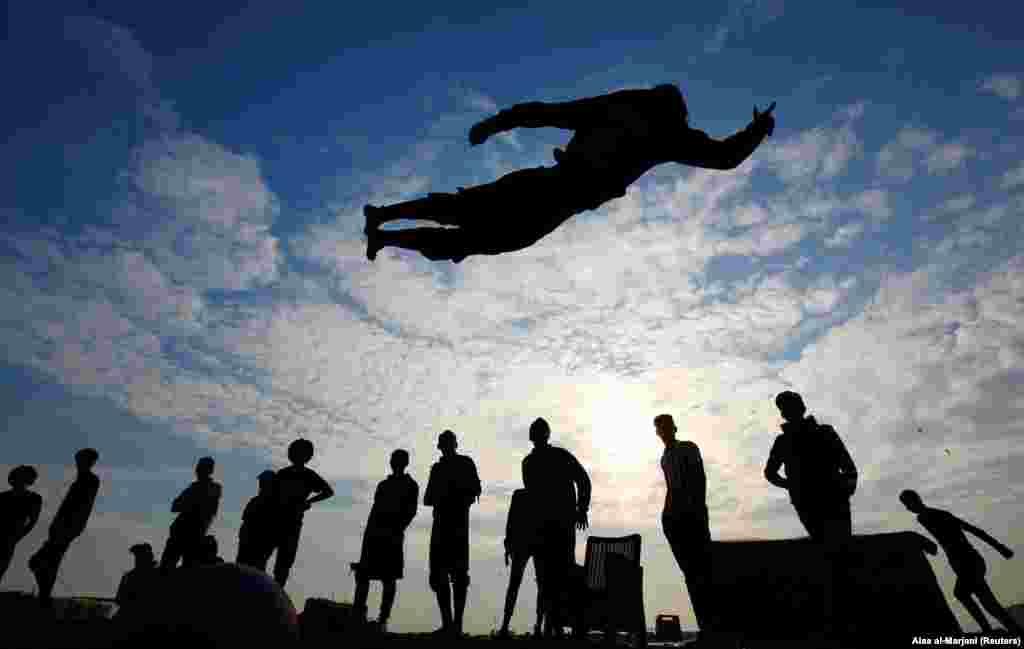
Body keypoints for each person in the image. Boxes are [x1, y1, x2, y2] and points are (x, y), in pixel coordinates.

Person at [363, 84, 776, 262]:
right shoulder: (663, 130)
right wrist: (757, 131)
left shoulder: (622, 110)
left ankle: (384, 223)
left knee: (467, 218)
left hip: (551, 187)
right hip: (559, 194)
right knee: (469, 225)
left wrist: (497, 123)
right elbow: (725, 157)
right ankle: (384, 224)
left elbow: (546, 113)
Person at [763, 391, 858, 637]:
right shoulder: (783, 442)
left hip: (833, 499)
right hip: (809, 503)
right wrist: (792, 487)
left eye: (791, 405)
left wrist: (846, 488)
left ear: (801, 406)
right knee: (829, 552)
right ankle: (839, 615)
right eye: (785, 406)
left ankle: (846, 615)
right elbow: (770, 473)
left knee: (840, 552)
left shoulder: (825, 432)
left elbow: (849, 467)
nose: (789, 410)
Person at [899, 490, 1023, 635]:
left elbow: (972, 530)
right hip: (964, 563)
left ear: (916, 500)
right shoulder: (928, 517)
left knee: (965, 595)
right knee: (989, 604)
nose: (908, 508)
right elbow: (965, 532)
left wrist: (1001, 548)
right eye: (905, 505)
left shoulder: (933, 516)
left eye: (907, 504)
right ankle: (1011, 631)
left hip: (968, 562)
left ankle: (989, 631)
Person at [521, 417, 590, 637]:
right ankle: (553, 626)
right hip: (543, 528)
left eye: (540, 432)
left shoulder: (559, 456)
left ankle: (560, 625)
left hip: (561, 526)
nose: (538, 436)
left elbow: (583, 480)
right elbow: (532, 497)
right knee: (546, 578)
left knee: (560, 575)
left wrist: (582, 508)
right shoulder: (529, 463)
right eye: (536, 432)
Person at [654, 414, 717, 641]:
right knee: (691, 573)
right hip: (673, 519)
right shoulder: (664, 457)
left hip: (693, 517)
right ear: (658, 432)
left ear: (674, 428)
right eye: (660, 428)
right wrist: (666, 516)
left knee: (703, 571)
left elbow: (699, 480)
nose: (664, 430)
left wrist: (697, 511)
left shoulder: (689, 448)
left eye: (667, 426)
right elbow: (671, 487)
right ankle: (706, 627)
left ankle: (713, 627)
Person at [351, 449, 419, 632]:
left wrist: (396, 529)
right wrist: (369, 536)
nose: (393, 462)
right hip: (374, 535)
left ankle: (382, 619)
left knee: (389, 578)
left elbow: (410, 512)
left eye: (397, 459)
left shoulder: (411, 485)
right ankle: (358, 615)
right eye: (392, 459)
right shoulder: (383, 485)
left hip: (392, 536)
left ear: (404, 462)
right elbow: (375, 511)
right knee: (363, 575)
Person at [423, 430, 481, 637]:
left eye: (448, 442)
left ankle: (456, 625)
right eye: (443, 443)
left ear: (454, 444)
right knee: (439, 576)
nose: (446, 446)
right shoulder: (437, 469)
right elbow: (428, 498)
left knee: (458, 576)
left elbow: (475, 489)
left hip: (457, 526)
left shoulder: (465, 463)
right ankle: (448, 624)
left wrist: (455, 495)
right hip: (441, 525)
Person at [29, 448, 101, 607]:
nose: (78, 463)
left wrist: (72, 528)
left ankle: (44, 596)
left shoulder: (90, 480)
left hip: (67, 528)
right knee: (46, 562)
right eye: (78, 460)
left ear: (89, 462)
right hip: (62, 527)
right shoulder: (82, 480)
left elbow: (83, 508)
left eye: (82, 460)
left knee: (40, 562)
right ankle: (44, 596)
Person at [271, 438, 334, 587]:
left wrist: (309, 502)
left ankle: (276, 592)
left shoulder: (307, 475)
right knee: (276, 560)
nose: (292, 453)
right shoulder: (283, 473)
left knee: (283, 563)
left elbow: (328, 492)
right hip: (276, 519)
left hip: (291, 521)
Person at [160, 456, 222, 572]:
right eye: (198, 468)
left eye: (201, 468)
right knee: (166, 568)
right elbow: (175, 506)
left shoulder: (213, 488)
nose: (198, 470)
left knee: (187, 569)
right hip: (180, 533)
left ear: (209, 470)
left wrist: (190, 503)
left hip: (193, 535)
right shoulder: (194, 487)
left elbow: (204, 508)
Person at [498, 487, 546, 638]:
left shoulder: (520, 495)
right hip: (535, 542)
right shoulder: (544, 494)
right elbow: (511, 521)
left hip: (524, 541)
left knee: (516, 584)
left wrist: (509, 542)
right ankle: (537, 626)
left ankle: (506, 625)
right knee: (539, 585)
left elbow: (511, 521)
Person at [0, 465, 42, 585]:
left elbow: (32, 522)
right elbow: (32, 522)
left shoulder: (34, 498)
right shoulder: (2, 497)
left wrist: (17, 537)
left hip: (10, 537)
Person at [236, 470, 277, 571]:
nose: (260, 484)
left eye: (263, 481)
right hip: (247, 544)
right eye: (261, 481)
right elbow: (245, 521)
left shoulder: (274, 504)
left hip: (260, 545)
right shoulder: (255, 500)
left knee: (254, 570)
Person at [115, 543, 157, 618]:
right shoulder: (128, 576)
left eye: (139, 557)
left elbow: (119, 600)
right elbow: (118, 600)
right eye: (137, 557)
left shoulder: (155, 575)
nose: (137, 560)